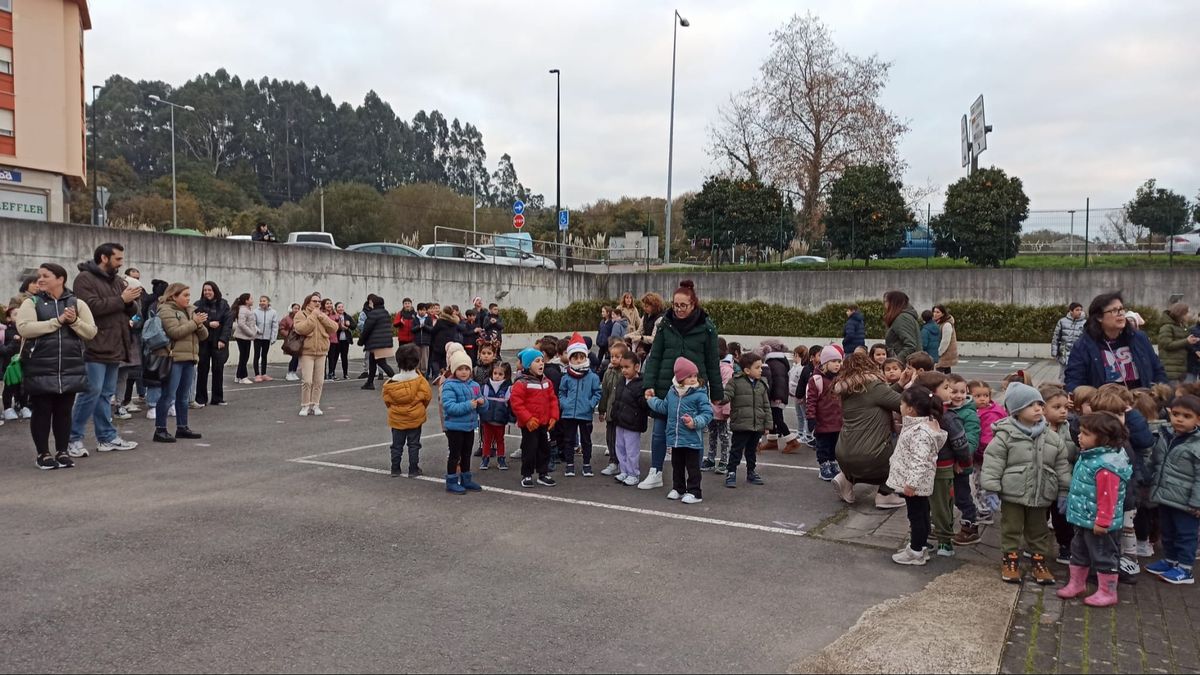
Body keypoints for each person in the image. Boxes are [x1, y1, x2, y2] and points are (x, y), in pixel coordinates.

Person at [981, 383, 1072, 584]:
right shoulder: (1005, 434)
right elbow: (993, 462)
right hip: (1013, 493)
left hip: (1041, 492)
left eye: (1040, 404)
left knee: (1039, 530)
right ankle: (1010, 559)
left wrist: (1064, 490)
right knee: (1011, 527)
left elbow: (1062, 465)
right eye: (1031, 405)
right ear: (1016, 410)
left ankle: (1039, 561)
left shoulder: (1052, 437)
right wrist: (990, 489)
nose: (1038, 408)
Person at [639, 281, 723, 491]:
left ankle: (693, 481)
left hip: (695, 388)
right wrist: (648, 384)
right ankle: (656, 471)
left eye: (683, 305)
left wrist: (717, 393)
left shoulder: (707, 327)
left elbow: (713, 363)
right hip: (666, 385)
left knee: (694, 434)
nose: (678, 309)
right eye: (675, 305)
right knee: (659, 431)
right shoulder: (665, 324)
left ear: (693, 304)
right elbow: (655, 357)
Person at [15, 263, 98, 469]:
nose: (40, 280)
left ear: (60, 279)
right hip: (40, 365)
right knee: (42, 410)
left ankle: (62, 451)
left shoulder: (77, 303)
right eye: (38, 276)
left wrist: (74, 321)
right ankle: (43, 454)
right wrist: (57, 321)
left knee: (64, 411)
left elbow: (91, 332)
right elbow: (25, 328)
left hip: (70, 366)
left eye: (45, 276)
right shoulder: (31, 302)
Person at [68, 243, 141, 457]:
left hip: (115, 345)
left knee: (105, 395)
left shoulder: (117, 281)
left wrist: (129, 300)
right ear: (104, 257)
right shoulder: (84, 279)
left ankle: (106, 438)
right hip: (94, 345)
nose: (121, 263)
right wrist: (122, 299)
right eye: (117, 259)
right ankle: (73, 439)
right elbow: (90, 307)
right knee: (90, 393)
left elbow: (132, 309)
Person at [1057, 412, 1133, 605]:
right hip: (1083, 518)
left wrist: (1103, 521)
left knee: (1104, 556)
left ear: (1103, 438)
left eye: (1085, 433)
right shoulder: (1091, 455)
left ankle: (1108, 592)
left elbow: (1108, 498)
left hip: (1098, 523)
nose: (1079, 436)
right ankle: (1077, 583)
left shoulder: (1106, 465)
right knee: (1079, 551)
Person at [832, 352, 907, 509]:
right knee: (905, 451)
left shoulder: (848, 389)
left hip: (843, 454)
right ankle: (885, 494)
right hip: (870, 456)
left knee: (859, 460)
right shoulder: (873, 386)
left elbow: (877, 397)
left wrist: (899, 384)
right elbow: (902, 404)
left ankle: (846, 479)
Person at [888, 385, 948, 566]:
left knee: (917, 516)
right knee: (921, 513)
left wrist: (911, 484)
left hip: (914, 485)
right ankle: (920, 545)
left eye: (902, 404)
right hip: (917, 483)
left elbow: (920, 460)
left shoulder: (920, 432)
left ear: (910, 409)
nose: (900, 407)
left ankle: (916, 551)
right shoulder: (920, 427)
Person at [914, 371, 972, 558]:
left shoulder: (946, 417)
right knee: (930, 504)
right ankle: (927, 537)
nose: (950, 391)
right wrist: (964, 461)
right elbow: (960, 443)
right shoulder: (942, 416)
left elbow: (960, 443)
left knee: (942, 505)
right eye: (946, 388)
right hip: (931, 468)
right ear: (932, 393)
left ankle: (945, 540)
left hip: (941, 467)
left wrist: (963, 463)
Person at [1145, 394, 1200, 585]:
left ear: (1197, 419)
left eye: (1186, 416)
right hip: (1165, 495)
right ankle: (1170, 561)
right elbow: (1155, 460)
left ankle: (1185, 570)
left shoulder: (1197, 443)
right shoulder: (1164, 434)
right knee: (1167, 531)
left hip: (1186, 502)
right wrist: (1146, 476)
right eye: (1175, 414)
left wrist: (1197, 502)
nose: (1179, 419)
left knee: (1185, 534)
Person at [1065, 291, 1167, 392]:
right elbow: (1073, 381)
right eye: (1114, 310)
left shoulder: (1139, 338)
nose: (1121, 314)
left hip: (1141, 402)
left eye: (1121, 309)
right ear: (1099, 317)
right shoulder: (1084, 345)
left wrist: (1158, 394)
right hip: (1105, 405)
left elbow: (1158, 370)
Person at [646, 357, 713, 504]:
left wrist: (695, 422)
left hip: (692, 440)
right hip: (675, 438)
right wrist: (651, 400)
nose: (693, 379)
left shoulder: (699, 393)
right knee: (677, 465)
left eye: (695, 375)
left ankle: (695, 492)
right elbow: (664, 407)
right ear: (680, 378)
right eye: (689, 376)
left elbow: (708, 413)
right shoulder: (672, 392)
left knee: (693, 467)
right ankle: (678, 488)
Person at [151, 283, 208, 443]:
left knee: (183, 396)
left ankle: (182, 427)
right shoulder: (166, 310)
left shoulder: (190, 311)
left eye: (189, 295)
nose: (188, 298)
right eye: (185, 295)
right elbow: (174, 332)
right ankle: (160, 429)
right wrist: (194, 323)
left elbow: (204, 336)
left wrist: (199, 324)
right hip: (173, 358)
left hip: (189, 358)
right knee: (168, 395)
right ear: (173, 296)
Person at [511, 347, 560, 489]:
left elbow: (553, 400)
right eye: (537, 361)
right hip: (530, 425)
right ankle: (526, 474)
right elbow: (517, 404)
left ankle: (543, 473)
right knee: (529, 450)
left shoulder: (547, 382)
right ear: (527, 365)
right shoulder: (521, 383)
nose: (541, 364)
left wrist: (553, 417)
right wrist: (527, 419)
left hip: (544, 423)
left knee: (544, 449)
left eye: (542, 361)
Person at [381, 343, 431, 478]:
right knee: (414, 444)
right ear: (417, 361)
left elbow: (387, 400)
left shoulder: (391, 382)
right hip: (415, 417)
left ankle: (395, 468)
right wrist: (419, 408)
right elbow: (427, 397)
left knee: (396, 445)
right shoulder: (420, 381)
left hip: (397, 418)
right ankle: (413, 469)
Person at [723, 351, 771, 488]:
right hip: (741, 424)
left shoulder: (762, 384)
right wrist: (717, 397)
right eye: (757, 368)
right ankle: (731, 472)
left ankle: (751, 472)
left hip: (757, 425)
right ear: (747, 370)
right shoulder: (735, 382)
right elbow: (726, 395)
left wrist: (767, 424)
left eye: (761, 367)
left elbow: (766, 405)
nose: (761, 370)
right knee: (736, 450)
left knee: (752, 451)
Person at [557, 332, 602, 477]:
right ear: (570, 359)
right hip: (569, 413)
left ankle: (587, 464)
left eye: (581, 357)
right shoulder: (566, 377)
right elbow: (561, 392)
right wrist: (564, 404)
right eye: (575, 357)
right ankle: (570, 464)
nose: (578, 360)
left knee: (586, 440)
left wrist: (591, 404)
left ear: (586, 357)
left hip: (585, 413)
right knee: (569, 440)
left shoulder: (593, 377)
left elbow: (597, 393)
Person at [949, 375, 984, 546]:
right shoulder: (943, 410)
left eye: (962, 392)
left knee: (962, 497)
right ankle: (944, 524)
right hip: (945, 463)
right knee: (946, 496)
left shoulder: (969, 414)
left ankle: (971, 527)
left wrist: (961, 460)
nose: (958, 395)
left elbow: (971, 440)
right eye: (954, 391)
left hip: (960, 465)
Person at [293, 293, 337, 417]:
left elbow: (334, 328)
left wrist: (322, 317)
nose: (317, 303)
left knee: (319, 381)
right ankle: (305, 405)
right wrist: (313, 315)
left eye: (319, 301)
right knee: (307, 380)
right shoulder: (301, 314)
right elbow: (302, 329)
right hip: (307, 351)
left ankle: (315, 404)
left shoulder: (322, 314)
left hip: (322, 351)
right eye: (314, 301)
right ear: (308, 302)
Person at [608, 351, 648, 486]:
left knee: (632, 450)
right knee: (620, 447)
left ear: (636, 367)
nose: (624, 370)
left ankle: (633, 473)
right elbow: (617, 400)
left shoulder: (641, 384)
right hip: (620, 422)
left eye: (627, 367)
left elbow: (643, 404)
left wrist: (647, 398)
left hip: (633, 424)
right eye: (622, 367)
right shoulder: (621, 382)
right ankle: (624, 470)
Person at [807, 345, 845, 481]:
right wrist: (811, 417)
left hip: (838, 421)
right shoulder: (816, 380)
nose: (837, 365)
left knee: (836, 445)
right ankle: (823, 465)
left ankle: (833, 462)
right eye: (834, 361)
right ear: (825, 363)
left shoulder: (841, 379)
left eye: (839, 362)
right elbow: (810, 400)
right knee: (823, 445)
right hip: (823, 421)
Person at [193, 281, 231, 407]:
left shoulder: (224, 304)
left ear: (215, 291)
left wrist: (223, 340)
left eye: (210, 290)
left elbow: (228, 324)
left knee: (218, 370)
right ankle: (201, 398)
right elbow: (195, 321)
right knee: (202, 370)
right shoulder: (198, 305)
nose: (207, 292)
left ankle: (217, 398)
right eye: (205, 290)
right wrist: (208, 323)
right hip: (203, 342)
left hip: (218, 342)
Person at [760, 339, 801, 453]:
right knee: (775, 417)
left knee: (777, 418)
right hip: (779, 394)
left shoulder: (773, 362)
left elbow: (778, 382)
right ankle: (772, 441)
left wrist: (775, 396)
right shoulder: (778, 361)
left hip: (776, 395)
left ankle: (792, 441)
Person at [703, 339, 735, 474]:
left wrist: (727, 410)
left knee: (724, 436)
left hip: (720, 410)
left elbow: (727, 391)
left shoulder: (726, 369)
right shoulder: (711, 367)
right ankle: (710, 459)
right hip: (710, 409)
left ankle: (724, 460)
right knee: (712, 434)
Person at [598, 341, 630, 476]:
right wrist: (602, 410)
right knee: (610, 438)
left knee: (622, 440)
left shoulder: (626, 373)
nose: (614, 359)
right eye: (612, 356)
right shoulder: (608, 372)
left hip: (622, 414)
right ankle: (613, 462)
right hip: (611, 413)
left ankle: (624, 464)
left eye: (618, 357)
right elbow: (604, 392)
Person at [357, 294, 396, 390]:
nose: (369, 303)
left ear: (374, 303)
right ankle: (369, 383)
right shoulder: (385, 312)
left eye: (370, 301)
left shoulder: (373, 313)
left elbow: (367, 329)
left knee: (382, 363)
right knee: (372, 362)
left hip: (376, 343)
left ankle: (397, 380)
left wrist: (361, 341)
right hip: (382, 341)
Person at [479, 361, 512, 471]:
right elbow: (480, 402)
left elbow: (511, 405)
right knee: (487, 440)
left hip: (500, 420)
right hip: (487, 419)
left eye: (500, 374)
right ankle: (485, 458)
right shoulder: (485, 387)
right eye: (495, 373)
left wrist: (511, 418)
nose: (497, 376)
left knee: (500, 440)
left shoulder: (508, 389)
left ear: (506, 376)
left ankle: (501, 458)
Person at [1158, 303, 1196, 383]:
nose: (1189, 315)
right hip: (1171, 371)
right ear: (1181, 314)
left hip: (1180, 370)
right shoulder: (1167, 327)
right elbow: (1166, 344)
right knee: (1173, 394)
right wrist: (1186, 341)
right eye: (1187, 313)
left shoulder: (1181, 326)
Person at [883, 290, 920, 362]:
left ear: (893, 303)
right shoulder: (901, 317)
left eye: (886, 301)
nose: (885, 304)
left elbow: (911, 345)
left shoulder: (902, 318)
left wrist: (896, 361)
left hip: (904, 365)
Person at [788, 345, 813, 447]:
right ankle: (800, 432)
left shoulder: (802, 367)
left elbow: (799, 382)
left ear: (796, 354)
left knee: (804, 415)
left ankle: (807, 435)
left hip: (801, 395)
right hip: (796, 394)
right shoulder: (796, 366)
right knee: (799, 415)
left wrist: (799, 394)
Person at [252, 296, 280, 383]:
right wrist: (257, 330)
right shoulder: (255, 311)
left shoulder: (273, 312)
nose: (262, 302)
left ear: (268, 302)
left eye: (264, 301)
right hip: (257, 337)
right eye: (260, 301)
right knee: (256, 355)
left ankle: (264, 374)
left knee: (264, 355)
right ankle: (257, 374)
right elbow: (253, 323)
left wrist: (273, 337)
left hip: (266, 338)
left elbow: (275, 326)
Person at [230, 293, 256, 385]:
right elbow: (241, 324)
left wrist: (256, 330)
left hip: (245, 337)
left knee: (244, 356)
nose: (252, 300)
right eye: (251, 298)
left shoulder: (246, 309)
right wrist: (251, 333)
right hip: (242, 337)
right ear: (246, 301)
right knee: (244, 357)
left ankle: (238, 376)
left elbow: (250, 323)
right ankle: (243, 377)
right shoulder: (243, 310)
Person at [429, 305, 458, 379]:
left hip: (439, 343)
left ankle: (437, 374)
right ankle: (445, 374)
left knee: (435, 360)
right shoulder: (454, 322)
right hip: (449, 344)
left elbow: (433, 331)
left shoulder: (440, 321)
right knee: (445, 360)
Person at [933, 305, 958, 374]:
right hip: (944, 353)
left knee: (938, 371)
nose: (935, 314)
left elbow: (945, 341)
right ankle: (949, 383)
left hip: (946, 353)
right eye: (934, 312)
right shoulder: (938, 322)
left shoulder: (947, 324)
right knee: (947, 371)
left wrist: (938, 353)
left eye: (938, 312)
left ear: (943, 314)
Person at [279, 303, 301, 381]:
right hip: (291, 340)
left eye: (298, 308)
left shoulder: (300, 318)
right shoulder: (286, 318)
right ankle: (289, 372)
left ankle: (293, 372)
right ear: (291, 309)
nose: (297, 310)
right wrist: (288, 335)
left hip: (298, 341)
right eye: (295, 308)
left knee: (297, 357)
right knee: (294, 357)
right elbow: (281, 328)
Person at [412, 303, 434, 377]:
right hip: (417, 342)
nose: (422, 312)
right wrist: (419, 326)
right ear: (418, 311)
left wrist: (424, 326)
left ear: (426, 311)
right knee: (417, 358)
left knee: (424, 359)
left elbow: (431, 329)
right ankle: (416, 373)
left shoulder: (428, 319)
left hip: (426, 342)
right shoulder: (415, 319)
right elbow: (412, 329)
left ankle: (424, 373)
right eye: (420, 310)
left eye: (424, 310)